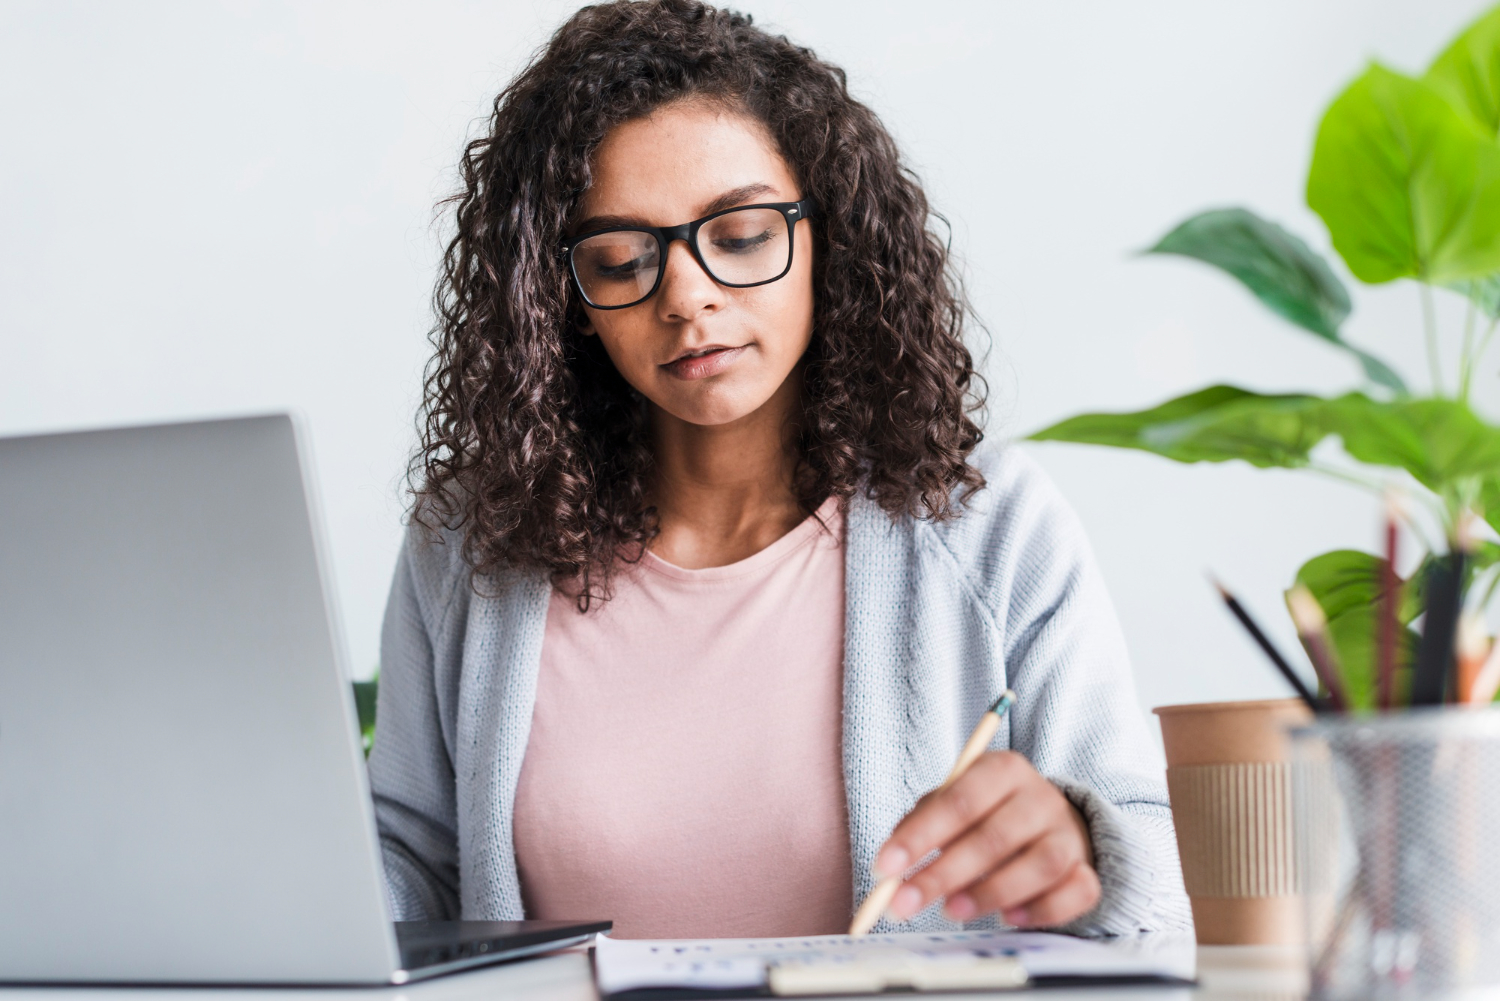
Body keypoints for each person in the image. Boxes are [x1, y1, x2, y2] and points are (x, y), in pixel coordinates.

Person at [368, 0, 1190, 940]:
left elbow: (1161, 881)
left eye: (743, 235)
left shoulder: (990, 526)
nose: (687, 296)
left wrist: (1084, 848)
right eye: (618, 257)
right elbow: (412, 869)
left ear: (827, 238)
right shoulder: (474, 537)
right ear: (563, 299)